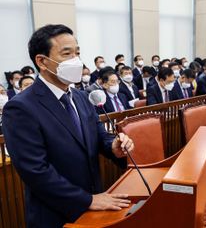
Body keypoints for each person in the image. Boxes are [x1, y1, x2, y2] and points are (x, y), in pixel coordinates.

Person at [2, 24, 134, 228]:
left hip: (96, 206)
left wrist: (114, 146)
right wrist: (87, 200)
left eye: (78, 53)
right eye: (67, 54)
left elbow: (99, 137)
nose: (76, 61)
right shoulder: (20, 107)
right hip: (56, 215)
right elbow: (35, 170)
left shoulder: (81, 97)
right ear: (42, 61)